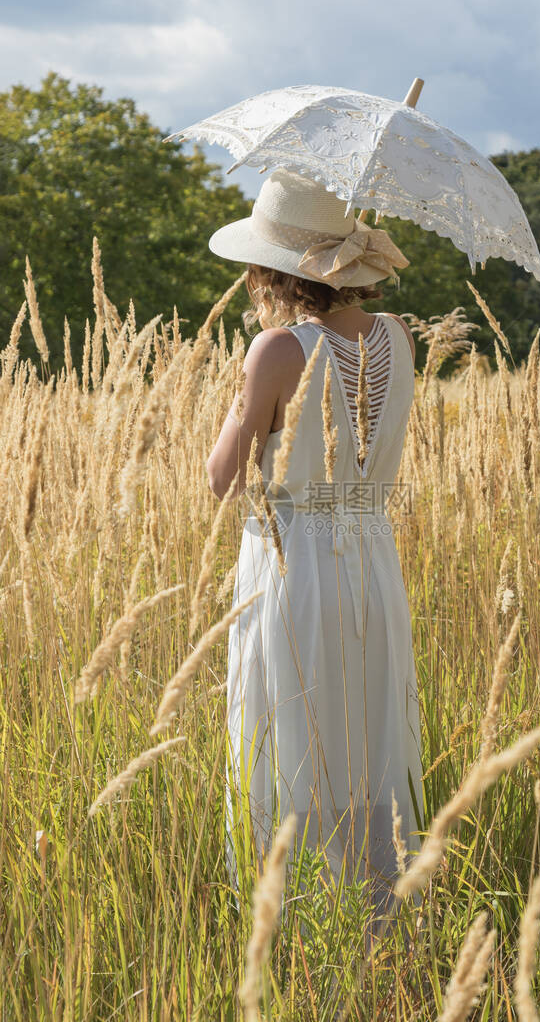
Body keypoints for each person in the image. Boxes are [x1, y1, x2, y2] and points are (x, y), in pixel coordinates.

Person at [206, 167, 423, 920]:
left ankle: (295, 921)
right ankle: (378, 920)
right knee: (366, 739)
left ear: (271, 268)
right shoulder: (399, 337)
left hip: (291, 558)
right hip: (371, 556)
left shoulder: (275, 349)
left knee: (291, 735)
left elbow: (223, 479)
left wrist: (243, 401)